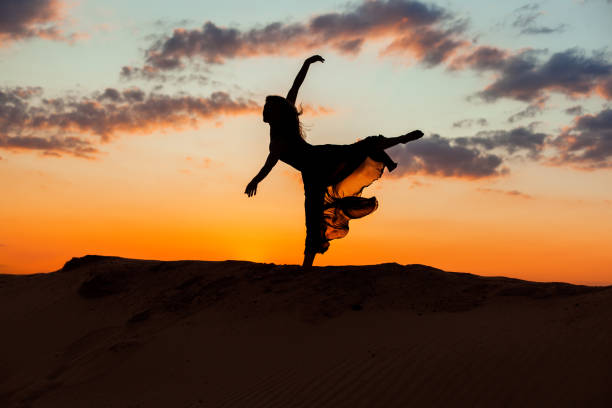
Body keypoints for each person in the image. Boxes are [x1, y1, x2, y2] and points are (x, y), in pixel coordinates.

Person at [245, 55, 423, 268]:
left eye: (267, 109)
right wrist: (307, 64)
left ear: (276, 114)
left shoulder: (280, 139)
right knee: (353, 154)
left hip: (315, 166)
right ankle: (397, 142)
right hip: (318, 163)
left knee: (313, 217)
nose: (263, 112)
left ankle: (307, 265)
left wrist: (255, 181)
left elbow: (269, 164)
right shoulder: (282, 130)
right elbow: (294, 89)